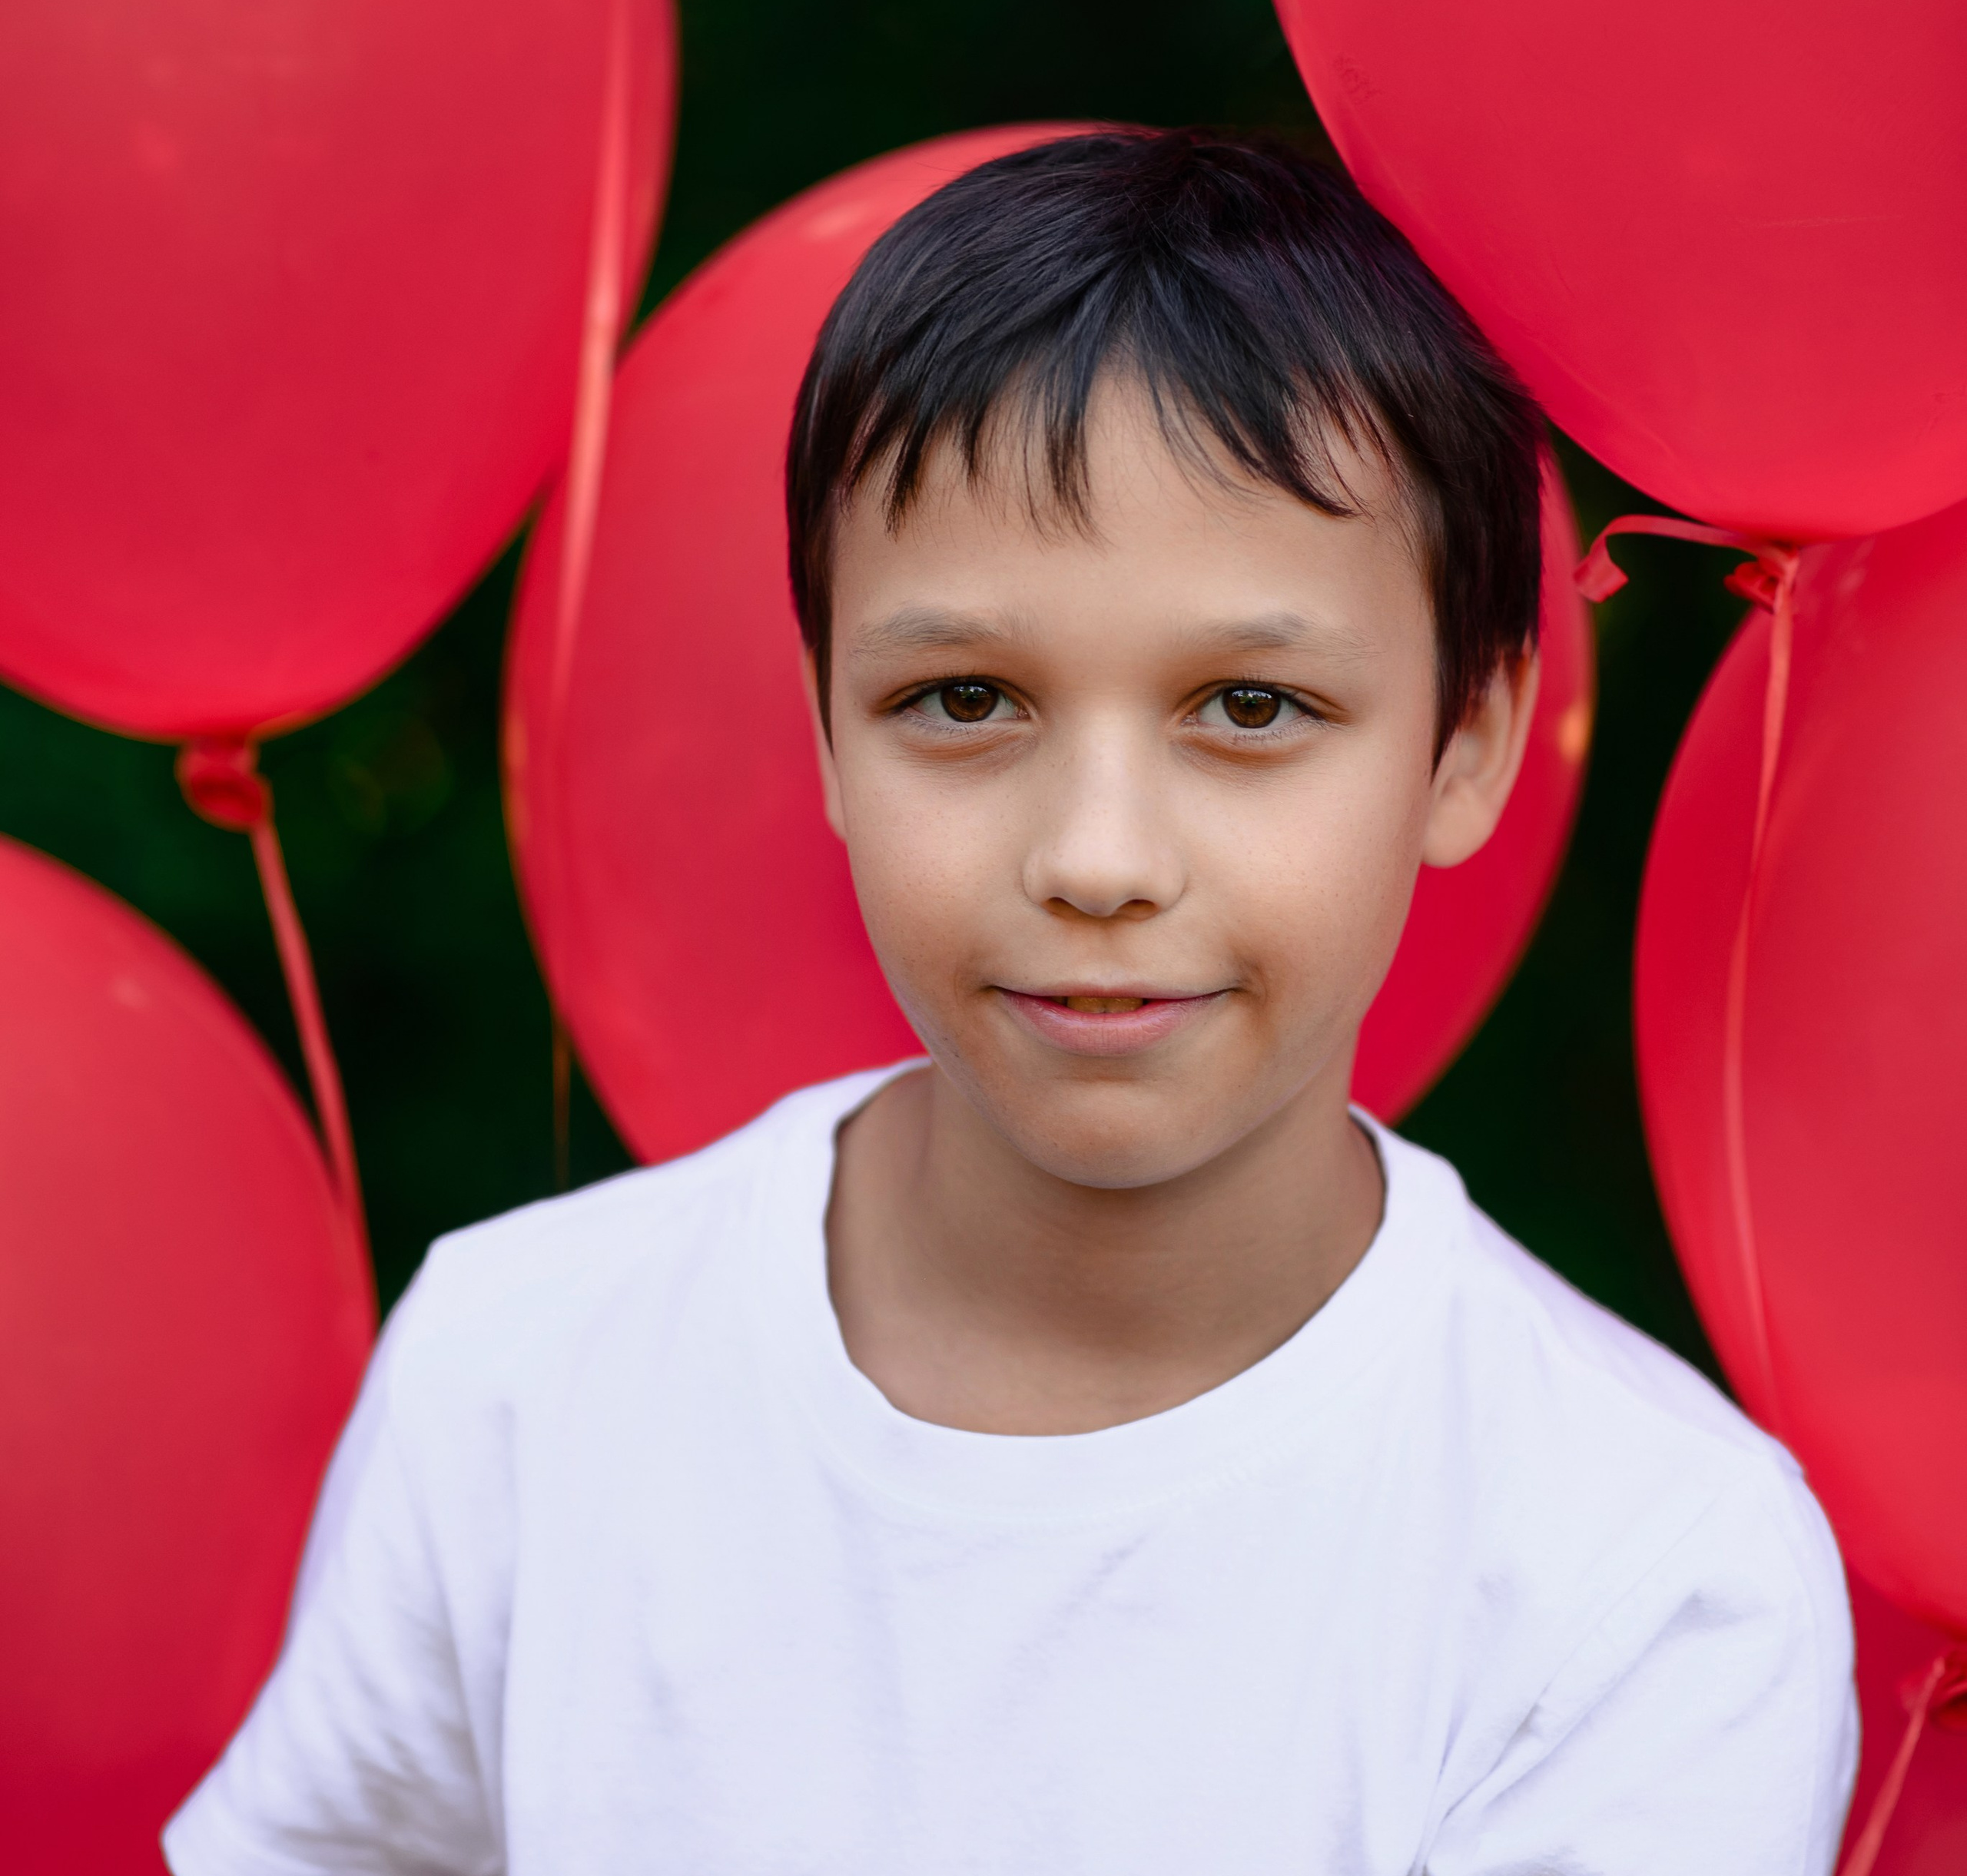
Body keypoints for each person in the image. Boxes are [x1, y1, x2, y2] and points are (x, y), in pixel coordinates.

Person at [164, 130, 1856, 1875]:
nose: (1097, 857)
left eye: (1251, 706)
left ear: (1468, 738)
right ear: (825, 725)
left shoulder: (1645, 1575)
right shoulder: (516, 1375)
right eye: (965, 696)